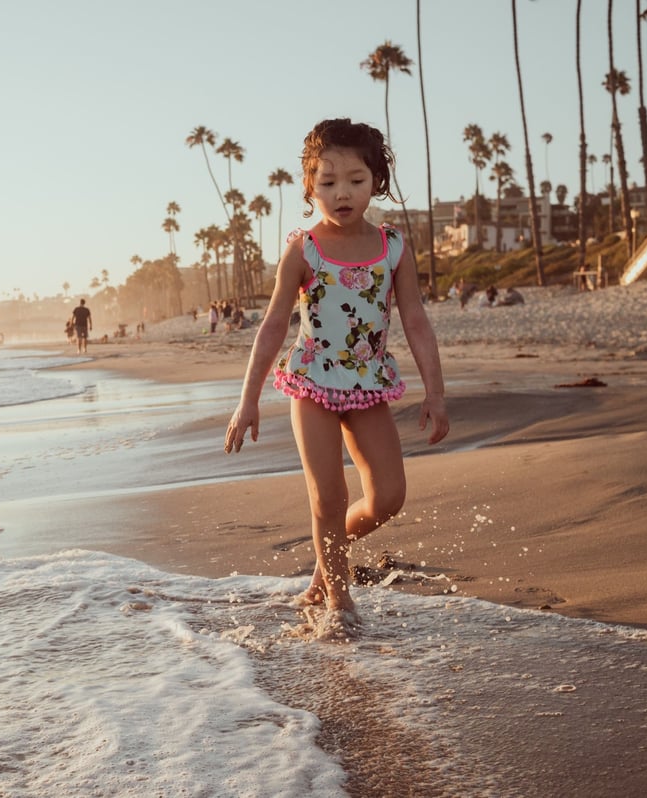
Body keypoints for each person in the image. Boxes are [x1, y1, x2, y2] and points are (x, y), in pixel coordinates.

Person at [224, 119, 450, 640]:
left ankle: (328, 561)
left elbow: (415, 319)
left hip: (369, 386)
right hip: (312, 386)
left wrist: (435, 394)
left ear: (377, 182)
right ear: (308, 187)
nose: (341, 193)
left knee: (388, 496)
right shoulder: (304, 249)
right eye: (327, 182)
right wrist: (248, 401)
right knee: (327, 496)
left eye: (355, 179)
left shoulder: (394, 247)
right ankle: (338, 600)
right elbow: (275, 323)